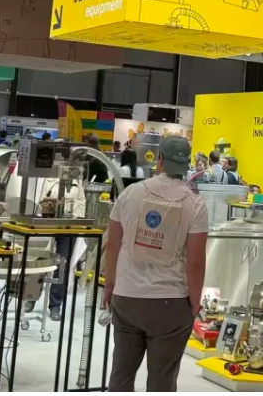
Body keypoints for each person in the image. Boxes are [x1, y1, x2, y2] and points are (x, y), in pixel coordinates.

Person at [104, 137, 208, 391]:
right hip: (170, 302)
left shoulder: (130, 193)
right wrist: (194, 303)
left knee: (121, 375)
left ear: (160, 160)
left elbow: (112, 245)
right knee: (162, 381)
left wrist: (110, 286)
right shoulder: (195, 204)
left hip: (127, 297)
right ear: (187, 164)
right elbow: (196, 261)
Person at [40, 165, 87, 322]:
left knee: (62, 264)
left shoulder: (76, 180)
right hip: (50, 224)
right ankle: (32, 296)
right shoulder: (51, 178)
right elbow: (45, 198)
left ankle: (55, 305)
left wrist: (78, 223)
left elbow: (81, 201)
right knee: (42, 261)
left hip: (69, 226)